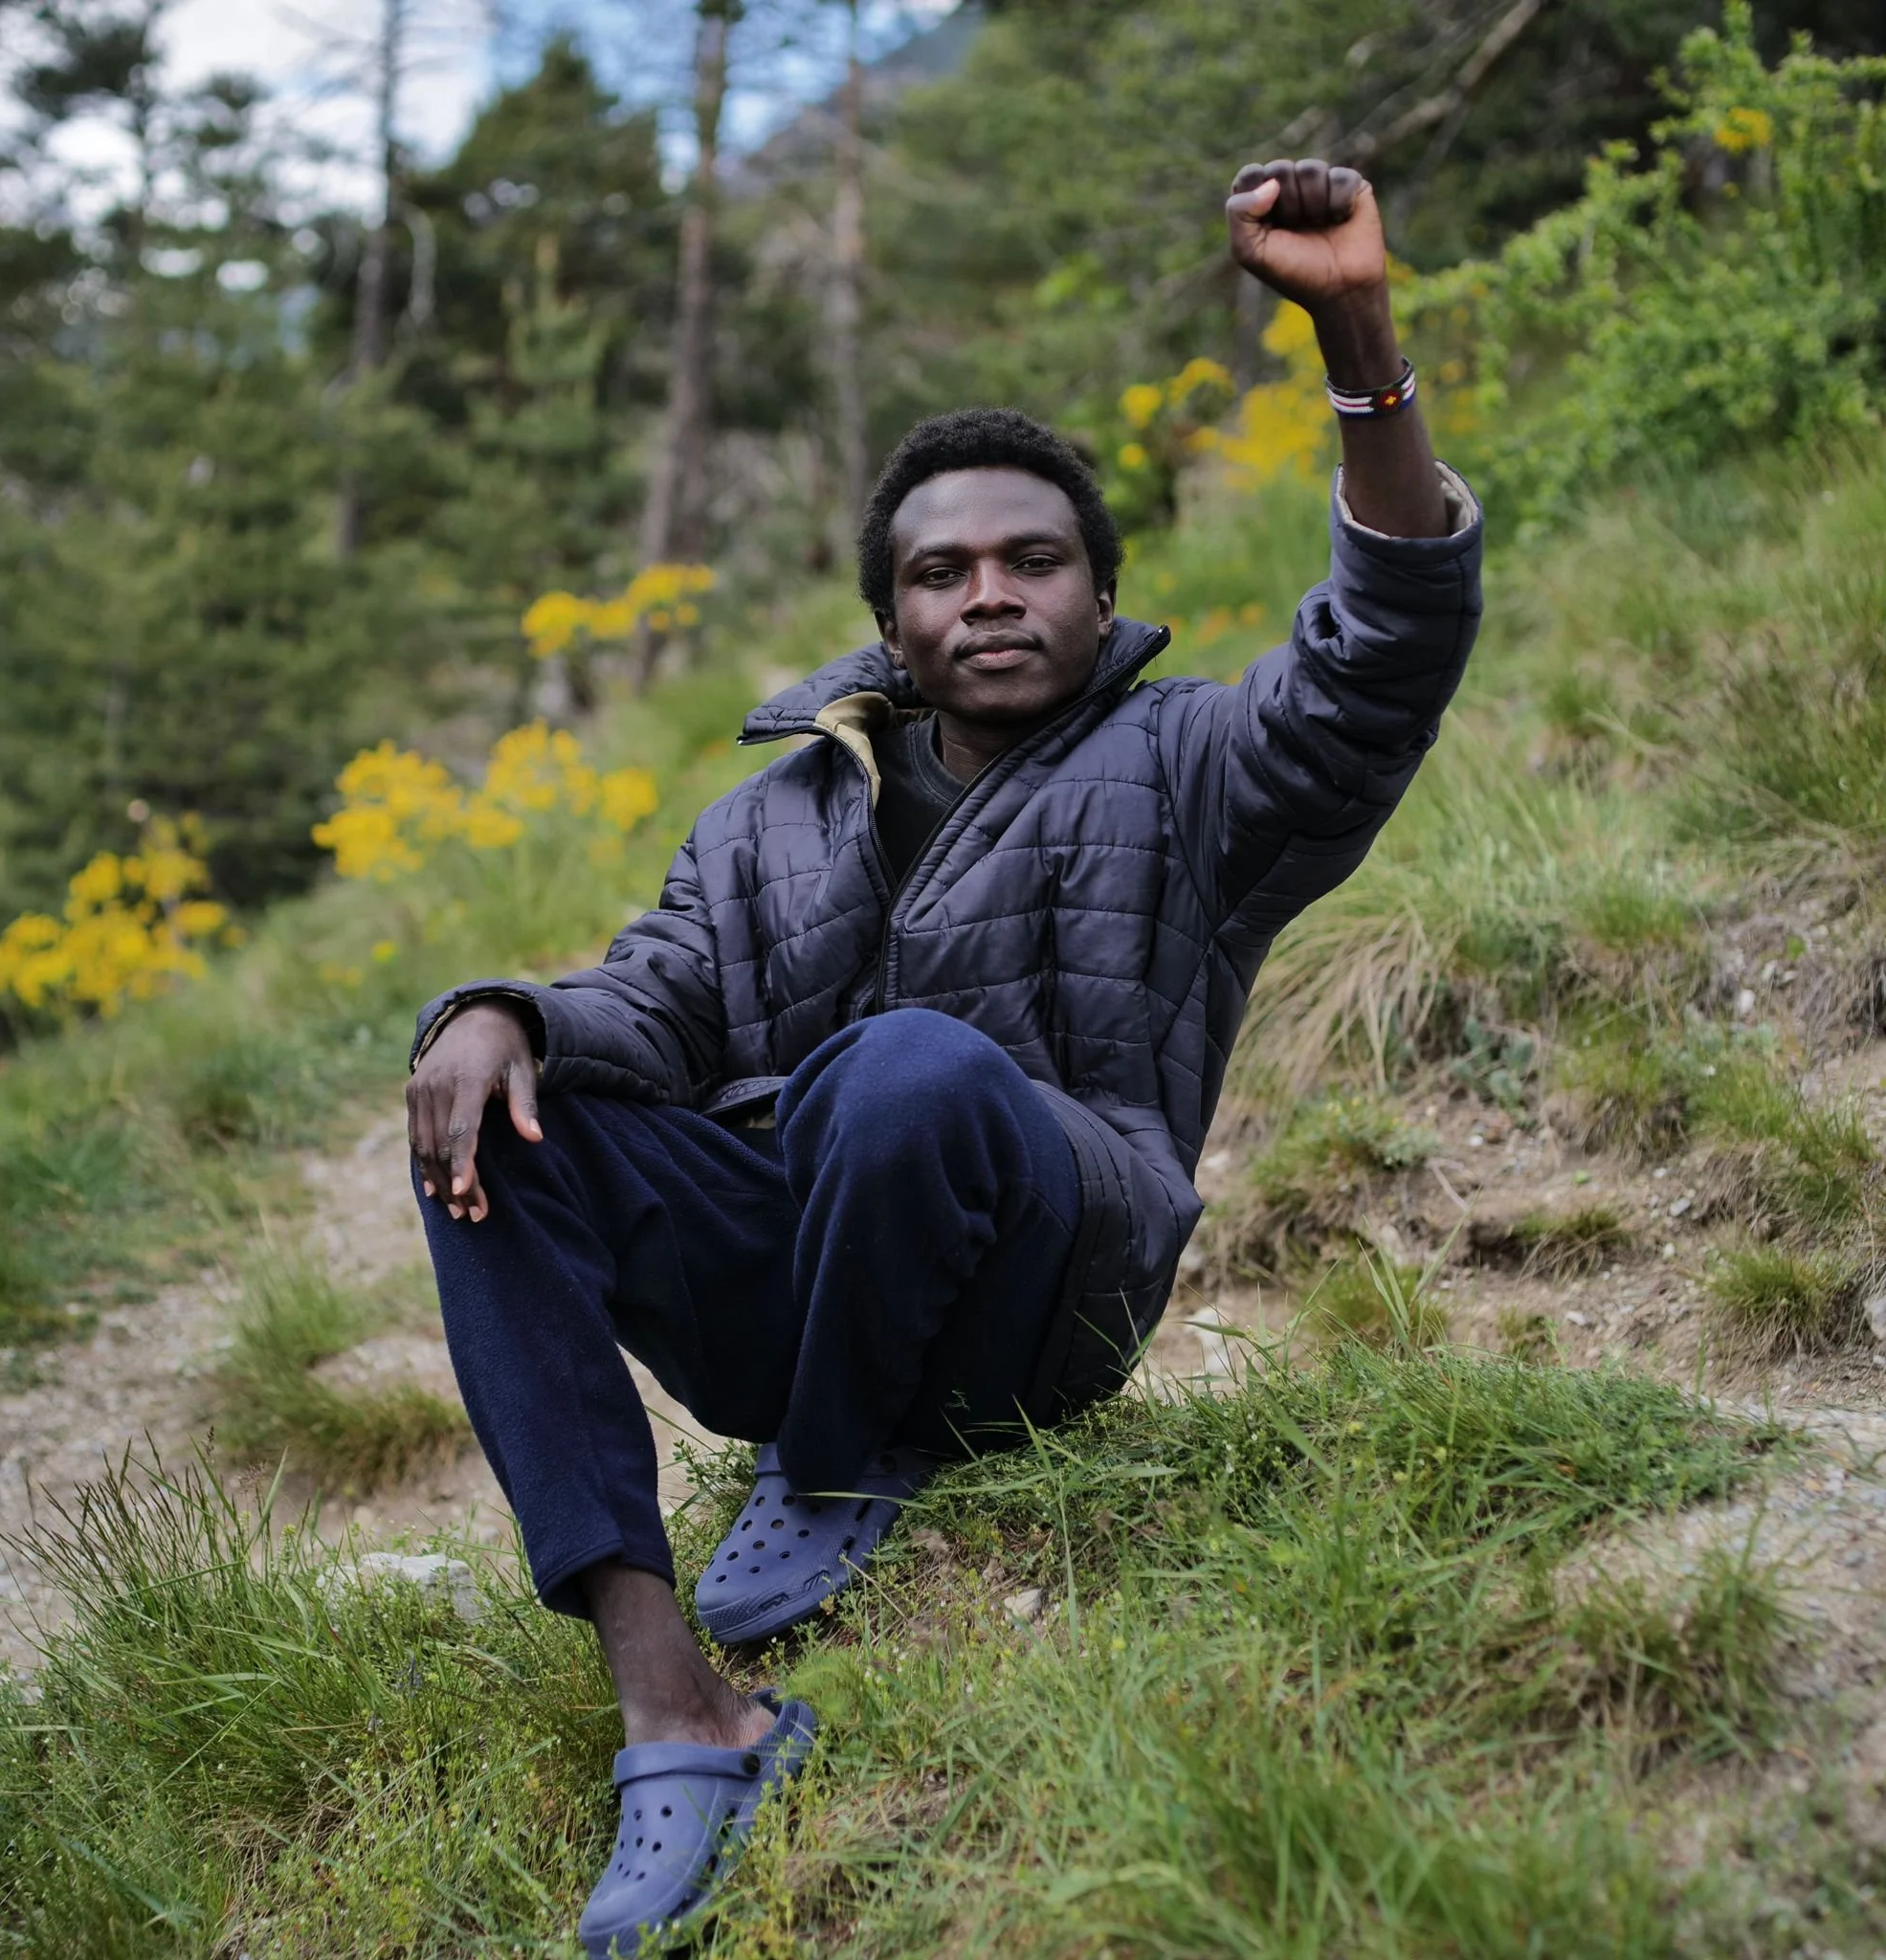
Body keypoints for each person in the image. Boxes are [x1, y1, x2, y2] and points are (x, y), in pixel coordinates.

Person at [406, 155, 1482, 1958]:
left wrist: (1358, 339)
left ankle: (840, 1468)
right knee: (484, 1122)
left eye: (1032, 559)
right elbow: (652, 1006)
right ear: (893, 616)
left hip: (1040, 1300)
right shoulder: (768, 817)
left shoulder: (1199, 767)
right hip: (796, 1290)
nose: (990, 592)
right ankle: (679, 1703)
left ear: (1097, 592)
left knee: (904, 1065)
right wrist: (497, 1016)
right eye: (944, 568)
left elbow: (1382, 653)